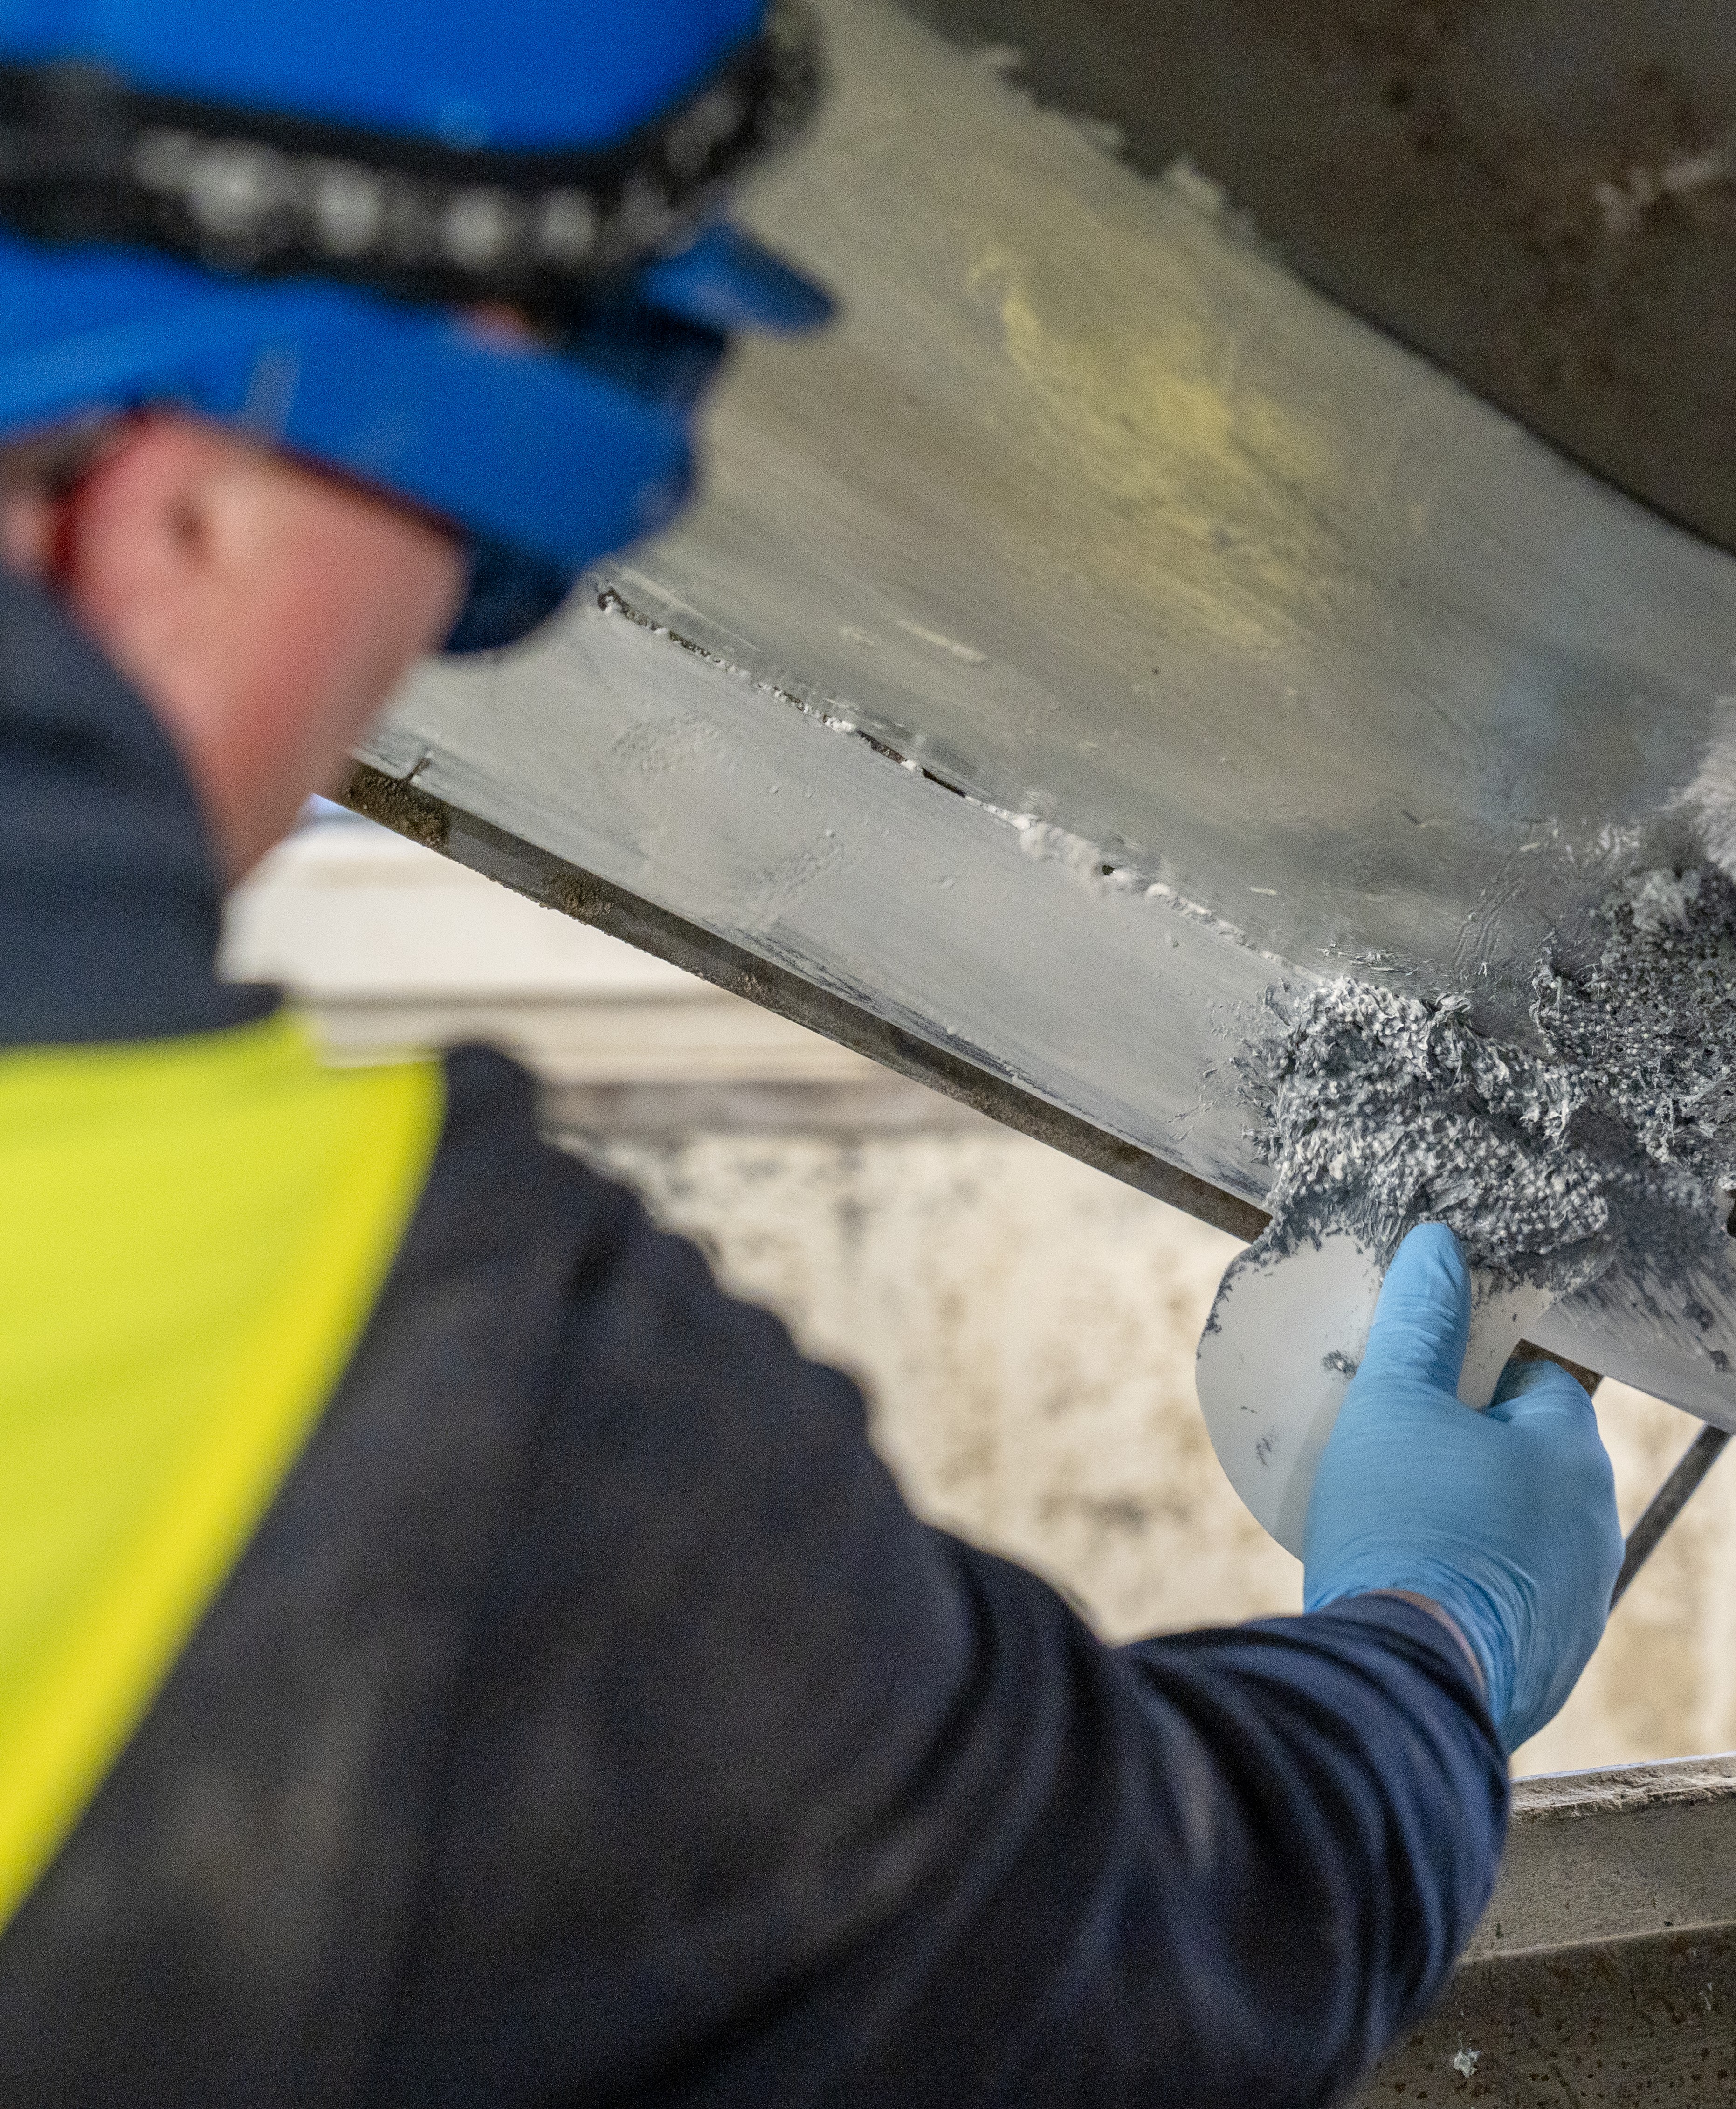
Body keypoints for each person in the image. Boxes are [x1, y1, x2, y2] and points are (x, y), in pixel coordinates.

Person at [0, 3, 1623, 2101]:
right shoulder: (373, 1421)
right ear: (177, 502)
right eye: (466, 558)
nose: (409, 662)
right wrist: (1433, 1636)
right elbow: (1117, 1948)